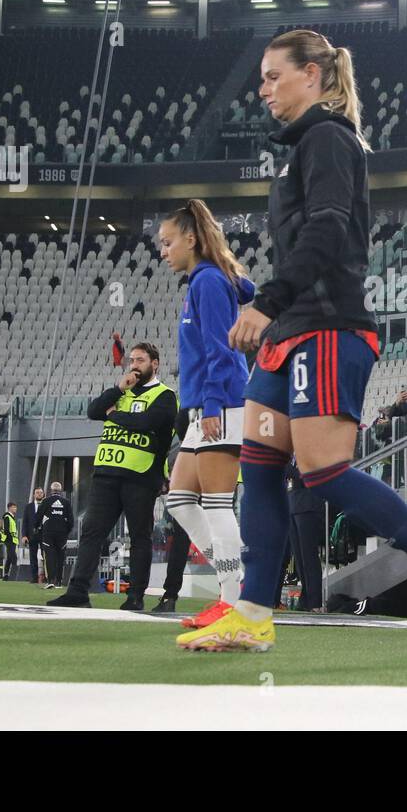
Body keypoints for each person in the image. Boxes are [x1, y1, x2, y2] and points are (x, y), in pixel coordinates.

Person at [180, 29, 407, 653]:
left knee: (323, 472)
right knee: (259, 471)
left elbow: (328, 229)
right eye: (260, 77)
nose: (262, 89)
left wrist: (268, 300)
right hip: (289, 333)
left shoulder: (327, 139)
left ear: (312, 75)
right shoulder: (301, 147)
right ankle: (256, 612)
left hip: (326, 326)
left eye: (272, 76)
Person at [155, 198, 254, 623]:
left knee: (216, 504)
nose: (163, 251)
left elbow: (220, 349)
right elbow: (246, 291)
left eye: (168, 242)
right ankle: (234, 580)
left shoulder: (208, 283)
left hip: (222, 404)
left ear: (191, 240)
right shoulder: (207, 280)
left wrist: (212, 404)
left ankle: (233, 600)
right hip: (206, 406)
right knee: (178, 499)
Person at [49, 343, 177, 610]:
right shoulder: (122, 392)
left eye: (140, 360)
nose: (134, 365)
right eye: (132, 360)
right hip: (106, 473)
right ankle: (78, 591)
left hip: (140, 475)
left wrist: (116, 415)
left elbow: (146, 423)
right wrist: (119, 389)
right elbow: (94, 410)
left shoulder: (165, 395)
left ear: (155, 363)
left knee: (139, 537)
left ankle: (135, 596)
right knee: (92, 533)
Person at [36, 481, 73, 589]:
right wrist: (67, 531)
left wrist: (37, 527)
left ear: (51, 490)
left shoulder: (46, 501)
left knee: (49, 556)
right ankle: (59, 581)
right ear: (60, 491)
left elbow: (39, 516)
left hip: (48, 532)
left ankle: (50, 580)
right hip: (62, 533)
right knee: (60, 556)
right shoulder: (66, 502)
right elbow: (71, 520)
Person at [20, 486, 45, 582]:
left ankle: (46, 576)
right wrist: (24, 535)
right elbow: (25, 522)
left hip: (44, 534)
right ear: (34, 494)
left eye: (40, 493)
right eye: (37, 492)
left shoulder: (46, 505)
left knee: (45, 556)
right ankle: (34, 577)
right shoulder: (29, 507)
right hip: (32, 535)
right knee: (33, 556)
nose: (39, 494)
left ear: (43, 494)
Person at [2, 501, 19, 580]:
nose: (15, 509)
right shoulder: (7, 517)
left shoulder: (11, 517)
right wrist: (9, 538)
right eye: (13, 507)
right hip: (10, 540)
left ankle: (6, 575)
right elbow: (6, 529)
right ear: (9, 508)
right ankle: (14, 575)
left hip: (13, 540)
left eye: (15, 507)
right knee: (13, 557)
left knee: (9, 558)